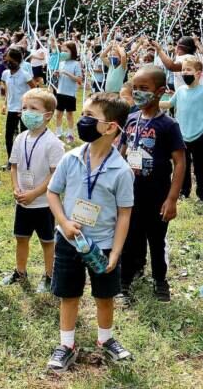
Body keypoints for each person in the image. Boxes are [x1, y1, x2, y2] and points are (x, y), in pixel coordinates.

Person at [46, 93, 134, 372]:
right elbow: (52, 192)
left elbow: (124, 213)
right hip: (68, 242)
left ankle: (105, 339)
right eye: (82, 114)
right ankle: (66, 345)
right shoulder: (70, 159)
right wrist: (63, 222)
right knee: (68, 294)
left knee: (104, 296)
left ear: (110, 127)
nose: (82, 121)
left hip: (104, 245)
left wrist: (116, 252)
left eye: (89, 116)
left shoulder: (121, 170)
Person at [119, 66, 186, 303]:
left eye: (143, 89)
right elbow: (122, 151)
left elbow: (179, 162)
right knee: (129, 238)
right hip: (130, 194)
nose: (137, 93)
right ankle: (125, 279)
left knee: (156, 240)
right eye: (135, 88)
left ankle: (160, 280)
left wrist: (171, 198)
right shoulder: (130, 119)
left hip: (157, 195)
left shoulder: (168, 125)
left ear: (160, 92)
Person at [2, 89, 64, 291]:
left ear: (47, 115)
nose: (27, 112)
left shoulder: (53, 143)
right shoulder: (20, 138)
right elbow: (14, 166)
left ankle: (49, 275)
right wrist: (16, 188)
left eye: (33, 108)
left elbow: (55, 174)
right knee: (21, 238)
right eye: (25, 108)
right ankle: (20, 271)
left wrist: (34, 193)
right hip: (22, 202)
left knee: (47, 241)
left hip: (44, 203)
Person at [160, 56, 203, 202]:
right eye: (183, 70)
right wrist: (154, 103)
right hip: (182, 135)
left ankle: (202, 195)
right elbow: (170, 104)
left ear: (198, 73)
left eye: (188, 70)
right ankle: (184, 191)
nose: (184, 73)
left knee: (200, 167)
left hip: (199, 135)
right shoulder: (181, 90)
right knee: (183, 165)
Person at [1, 48, 35, 162]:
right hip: (12, 109)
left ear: (18, 60)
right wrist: (5, 104)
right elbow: (7, 91)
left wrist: (28, 107)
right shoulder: (5, 74)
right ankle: (11, 161)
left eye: (11, 60)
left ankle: (25, 160)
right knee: (8, 136)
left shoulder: (25, 75)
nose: (8, 62)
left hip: (23, 110)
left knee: (24, 136)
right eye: (7, 60)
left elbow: (34, 90)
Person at [55, 41, 83, 142]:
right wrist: (57, 74)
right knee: (58, 114)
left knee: (69, 115)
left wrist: (67, 73)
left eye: (65, 51)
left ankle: (70, 134)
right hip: (60, 92)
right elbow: (59, 77)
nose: (63, 53)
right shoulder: (61, 63)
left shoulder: (76, 64)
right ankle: (58, 132)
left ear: (72, 51)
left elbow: (79, 80)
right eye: (62, 51)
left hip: (70, 94)